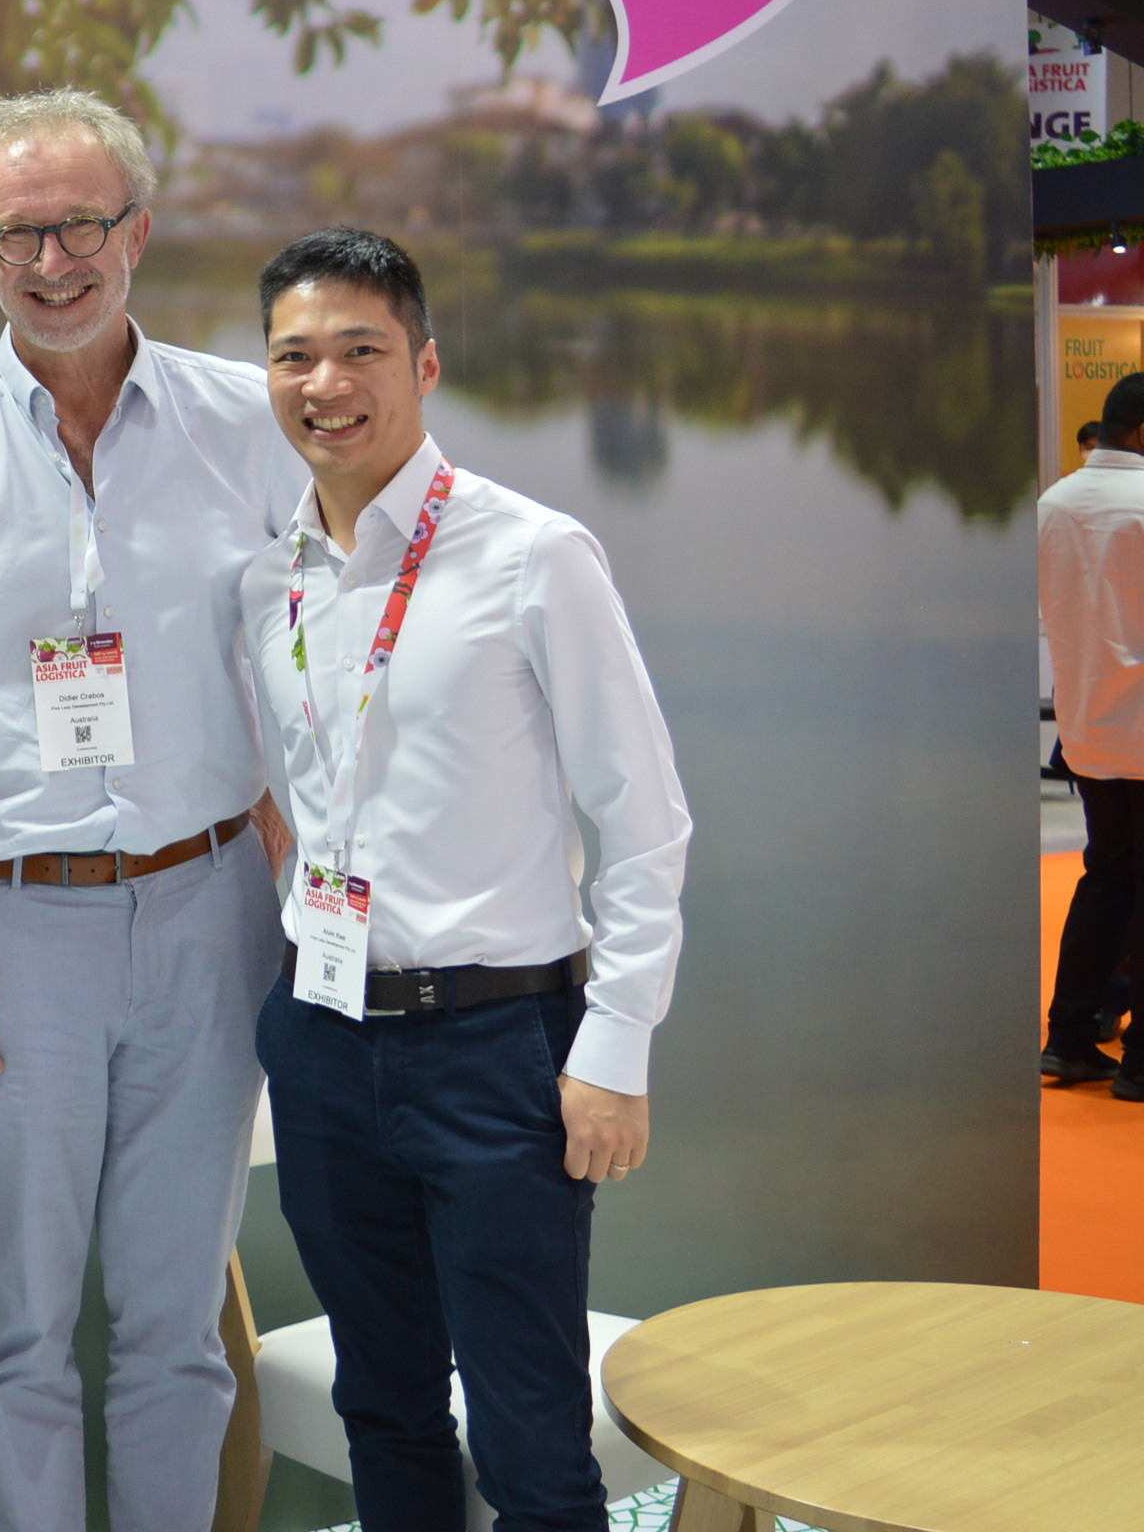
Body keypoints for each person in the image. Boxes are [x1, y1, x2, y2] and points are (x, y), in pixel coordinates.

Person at [0, 89, 301, 1532]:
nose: (51, 262)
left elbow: (308, 672)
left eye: (80, 225)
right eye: (16, 234)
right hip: (4, 931)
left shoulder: (250, 424)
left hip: (211, 911)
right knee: (18, 1337)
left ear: (137, 231)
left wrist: (308, 885)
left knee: (175, 1330)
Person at [236, 227, 690, 1532]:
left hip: (497, 1048)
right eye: (294, 356)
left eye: (360, 349)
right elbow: (288, 794)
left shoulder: (532, 553)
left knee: (528, 1426)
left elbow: (643, 819)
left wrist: (616, 1045)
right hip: (323, 1042)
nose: (326, 384)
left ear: (424, 363)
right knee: (383, 1406)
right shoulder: (265, 582)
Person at [1041, 371, 1144, 1097]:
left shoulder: (1052, 504)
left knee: (1106, 877)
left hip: (1087, 728)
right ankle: (1140, 1062)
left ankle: (1070, 1038)